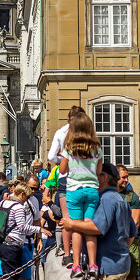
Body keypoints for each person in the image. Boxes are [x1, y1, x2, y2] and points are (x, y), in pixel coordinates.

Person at [61, 162, 137, 280]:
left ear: (104, 177)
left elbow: (97, 228)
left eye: (96, 173)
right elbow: (132, 233)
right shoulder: (120, 199)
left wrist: (71, 224)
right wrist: (120, 248)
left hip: (109, 267)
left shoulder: (106, 199)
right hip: (118, 263)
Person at [0, 180, 50, 280]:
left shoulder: (4, 202)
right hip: (13, 244)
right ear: (22, 194)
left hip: (0, 243)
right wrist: (40, 230)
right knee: (11, 276)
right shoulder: (19, 207)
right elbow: (22, 227)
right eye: (27, 197)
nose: (27, 200)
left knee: (5, 274)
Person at [59, 112, 103, 277]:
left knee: (76, 227)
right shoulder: (97, 148)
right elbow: (98, 171)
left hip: (74, 190)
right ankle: (93, 264)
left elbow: (62, 170)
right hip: (92, 190)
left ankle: (76, 265)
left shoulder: (69, 149)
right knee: (89, 228)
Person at [47, 105, 86, 268]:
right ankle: (82, 253)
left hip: (65, 178)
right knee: (84, 218)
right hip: (84, 177)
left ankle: (68, 254)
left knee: (66, 218)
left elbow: (50, 157)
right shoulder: (86, 132)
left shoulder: (61, 132)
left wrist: (64, 161)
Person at [116, 164, 140, 280]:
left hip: (130, 244)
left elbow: (135, 222)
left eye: (127, 177)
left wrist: (125, 243)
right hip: (114, 243)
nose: (126, 180)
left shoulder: (132, 196)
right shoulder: (107, 193)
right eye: (123, 177)